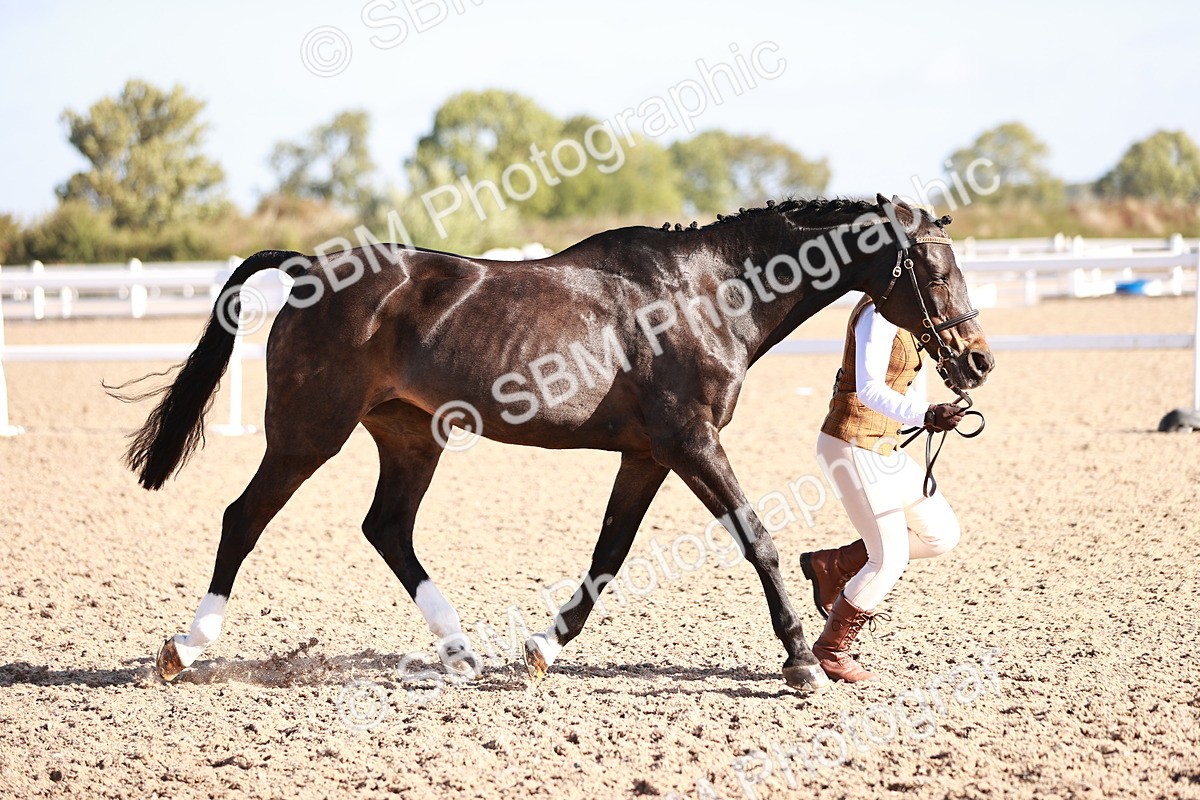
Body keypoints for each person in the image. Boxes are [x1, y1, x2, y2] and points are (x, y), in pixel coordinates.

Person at [801, 295, 966, 683]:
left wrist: (933, 413)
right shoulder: (878, 313)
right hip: (853, 445)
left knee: (942, 535)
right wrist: (924, 414)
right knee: (888, 560)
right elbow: (869, 389)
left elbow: (906, 393)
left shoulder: (910, 317)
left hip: (885, 447)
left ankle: (835, 564)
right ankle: (829, 651)